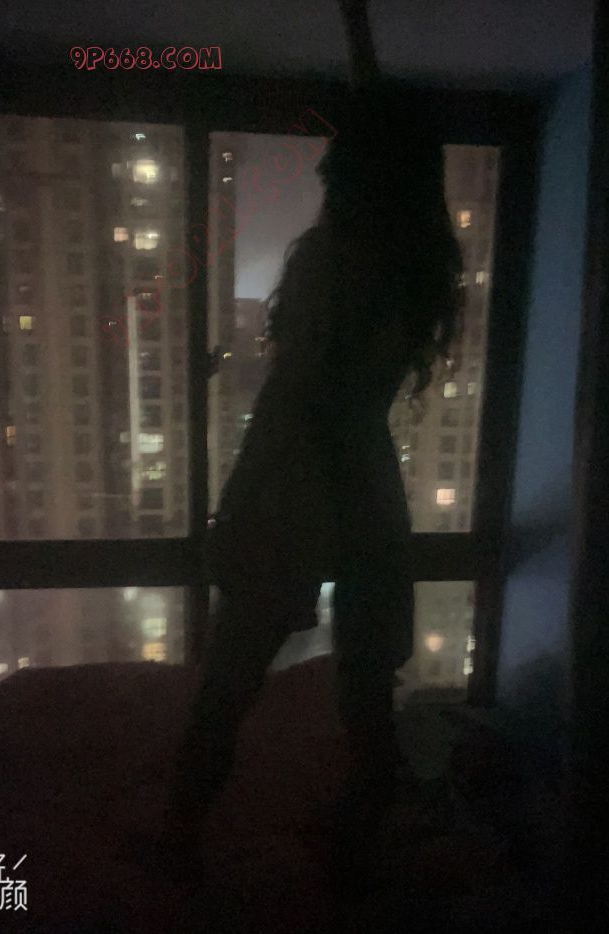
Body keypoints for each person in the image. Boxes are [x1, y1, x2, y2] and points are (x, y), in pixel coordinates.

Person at [160, 0, 465, 884]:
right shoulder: (417, 268)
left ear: (356, 169)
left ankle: (178, 844)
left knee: (230, 682)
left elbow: (293, 399)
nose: (327, 164)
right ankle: (361, 835)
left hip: (299, 481)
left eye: (341, 155)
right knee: (366, 684)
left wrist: (235, 508)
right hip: (364, 477)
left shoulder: (331, 260)